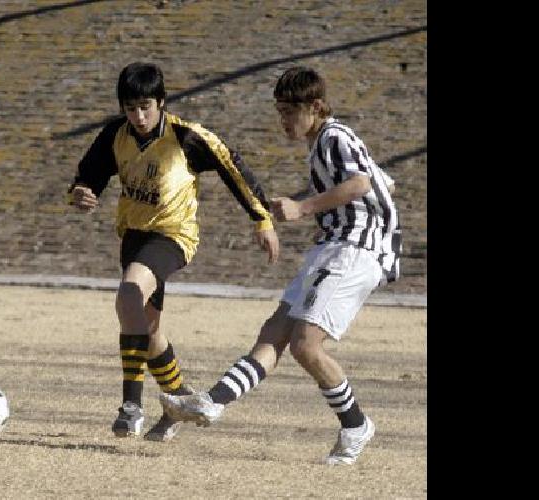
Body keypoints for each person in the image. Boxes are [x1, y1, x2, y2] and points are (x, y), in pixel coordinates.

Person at [159, 66, 401, 465]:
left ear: (317, 107)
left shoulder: (333, 136)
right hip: (332, 247)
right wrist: (304, 198)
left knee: (306, 346)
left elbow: (359, 183)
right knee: (275, 331)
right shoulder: (328, 140)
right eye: (280, 111)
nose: (284, 120)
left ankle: (356, 425)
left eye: (290, 111)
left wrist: (304, 207)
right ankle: (213, 402)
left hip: (353, 249)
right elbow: (381, 182)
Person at [68, 62, 280, 442]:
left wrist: (261, 219)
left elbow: (233, 168)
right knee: (147, 331)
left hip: (173, 235)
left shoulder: (187, 137)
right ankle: (178, 400)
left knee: (128, 294)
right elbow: (89, 175)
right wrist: (82, 192)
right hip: (133, 236)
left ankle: (131, 406)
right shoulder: (116, 135)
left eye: (146, 107)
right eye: (130, 108)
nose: (139, 116)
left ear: (162, 102)